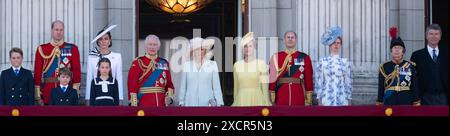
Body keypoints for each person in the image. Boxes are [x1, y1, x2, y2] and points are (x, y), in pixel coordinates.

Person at [34, 20, 81, 105]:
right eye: (56, 30)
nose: (59, 32)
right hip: (48, 92)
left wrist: (75, 92)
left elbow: (76, 72)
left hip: (67, 93)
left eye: (61, 30)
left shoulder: (72, 48)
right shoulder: (42, 49)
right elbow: (37, 73)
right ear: (52, 31)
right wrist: (38, 96)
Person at [376, 27, 420, 106]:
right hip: (389, 99)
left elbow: (414, 85)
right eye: (394, 48)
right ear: (391, 51)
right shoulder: (384, 67)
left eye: (399, 48)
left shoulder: (410, 66)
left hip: (406, 100)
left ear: (403, 52)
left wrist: (416, 101)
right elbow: (381, 87)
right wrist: (379, 101)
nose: (397, 50)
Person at [128, 34, 174, 107]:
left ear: (158, 47)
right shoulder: (138, 62)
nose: (152, 47)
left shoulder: (164, 63)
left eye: (155, 45)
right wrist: (134, 103)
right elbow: (132, 84)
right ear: (146, 47)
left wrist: (169, 97)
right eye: (150, 44)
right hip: (144, 102)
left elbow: (169, 84)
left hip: (161, 104)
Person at [269, 31, 314, 106]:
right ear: (284, 40)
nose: (290, 39)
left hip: (298, 92)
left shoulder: (304, 57)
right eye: (288, 37)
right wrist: (272, 91)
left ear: (296, 40)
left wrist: (308, 93)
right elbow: (272, 77)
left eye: (292, 37)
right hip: (282, 92)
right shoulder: (276, 57)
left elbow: (308, 77)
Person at [178, 37, 224, 107]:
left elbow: (216, 87)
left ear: (205, 51)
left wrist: (219, 103)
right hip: (190, 103)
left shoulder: (212, 65)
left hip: (208, 103)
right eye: (197, 49)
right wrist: (181, 102)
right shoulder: (187, 65)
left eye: (202, 49)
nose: (199, 51)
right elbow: (183, 87)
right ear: (193, 51)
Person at [410, 24, 449, 105]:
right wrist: (415, 98)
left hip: (444, 97)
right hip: (424, 97)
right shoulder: (416, 55)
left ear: (440, 37)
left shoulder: (447, 54)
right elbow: (413, 79)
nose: (433, 36)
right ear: (426, 36)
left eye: (436, 34)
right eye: (431, 34)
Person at [86, 25, 123, 105]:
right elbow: (89, 79)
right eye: (101, 39)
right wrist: (87, 99)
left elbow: (119, 78)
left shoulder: (117, 56)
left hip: (111, 96)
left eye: (106, 39)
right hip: (96, 97)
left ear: (110, 41)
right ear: (97, 41)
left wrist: (120, 98)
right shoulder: (92, 57)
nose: (103, 41)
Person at [315, 26, 352, 106]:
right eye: (333, 43)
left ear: (341, 45)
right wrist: (319, 98)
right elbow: (319, 81)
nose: (336, 45)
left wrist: (349, 98)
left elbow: (348, 81)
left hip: (342, 96)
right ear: (329, 45)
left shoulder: (345, 62)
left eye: (338, 43)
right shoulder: (323, 61)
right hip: (327, 96)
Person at [232, 32, 271, 106]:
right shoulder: (237, 65)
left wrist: (267, 103)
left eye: (250, 46)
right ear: (242, 48)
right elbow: (236, 88)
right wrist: (235, 102)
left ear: (254, 48)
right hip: (241, 101)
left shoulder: (261, 64)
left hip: (257, 100)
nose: (247, 49)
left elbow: (265, 88)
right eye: (245, 46)